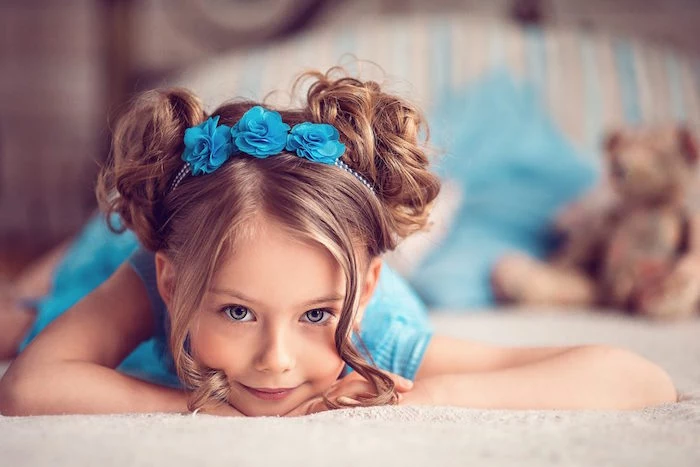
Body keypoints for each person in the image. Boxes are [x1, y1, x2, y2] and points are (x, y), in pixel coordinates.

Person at [0, 68, 677, 417]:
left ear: (366, 293)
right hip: (121, 249)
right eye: (238, 312)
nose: (275, 360)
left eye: (316, 315)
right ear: (174, 281)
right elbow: (30, 388)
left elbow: (641, 377)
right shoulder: (155, 270)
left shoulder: (377, 336)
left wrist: (415, 397)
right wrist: (200, 403)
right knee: (29, 313)